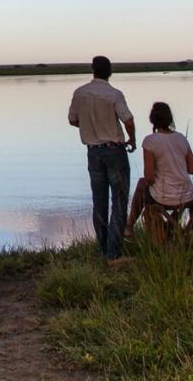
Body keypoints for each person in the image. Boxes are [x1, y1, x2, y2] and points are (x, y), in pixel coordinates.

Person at [68, 56, 138, 265]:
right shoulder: (114, 94)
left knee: (99, 201)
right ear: (109, 72)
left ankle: (102, 247)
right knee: (119, 200)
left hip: (93, 152)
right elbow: (128, 119)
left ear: (93, 70)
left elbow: (73, 120)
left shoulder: (80, 93)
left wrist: (90, 127)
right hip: (115, 151)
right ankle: (113, 253)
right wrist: (132, 138)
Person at [139, 102, 193, 210]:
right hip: (187, 196)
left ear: (152, 119)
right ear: (170, 118)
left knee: (141, 184)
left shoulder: (150, 141)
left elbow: (149, 177)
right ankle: (170, 226)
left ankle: (129, 225)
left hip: (163, 198)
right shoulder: (181, 138)